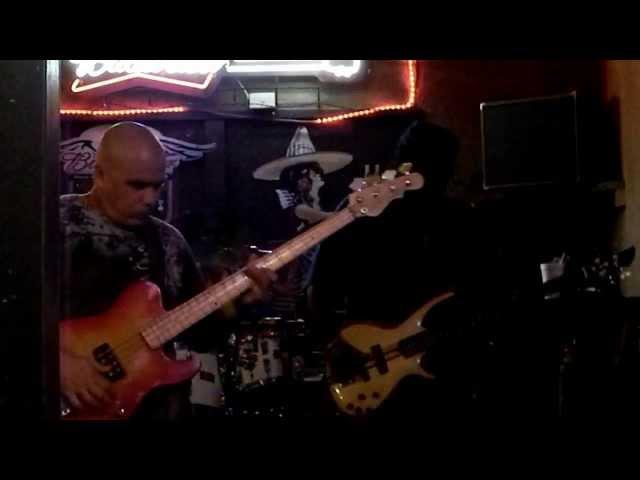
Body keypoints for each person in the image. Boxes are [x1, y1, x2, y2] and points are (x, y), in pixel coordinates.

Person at [59, 121, 275, 420]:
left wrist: (238, 305)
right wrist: (57, 360)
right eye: (137, 185)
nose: (151, 198)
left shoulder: (169, 242)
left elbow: (201, 337)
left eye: (157, 185)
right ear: (100, 174)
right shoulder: (53, 224)